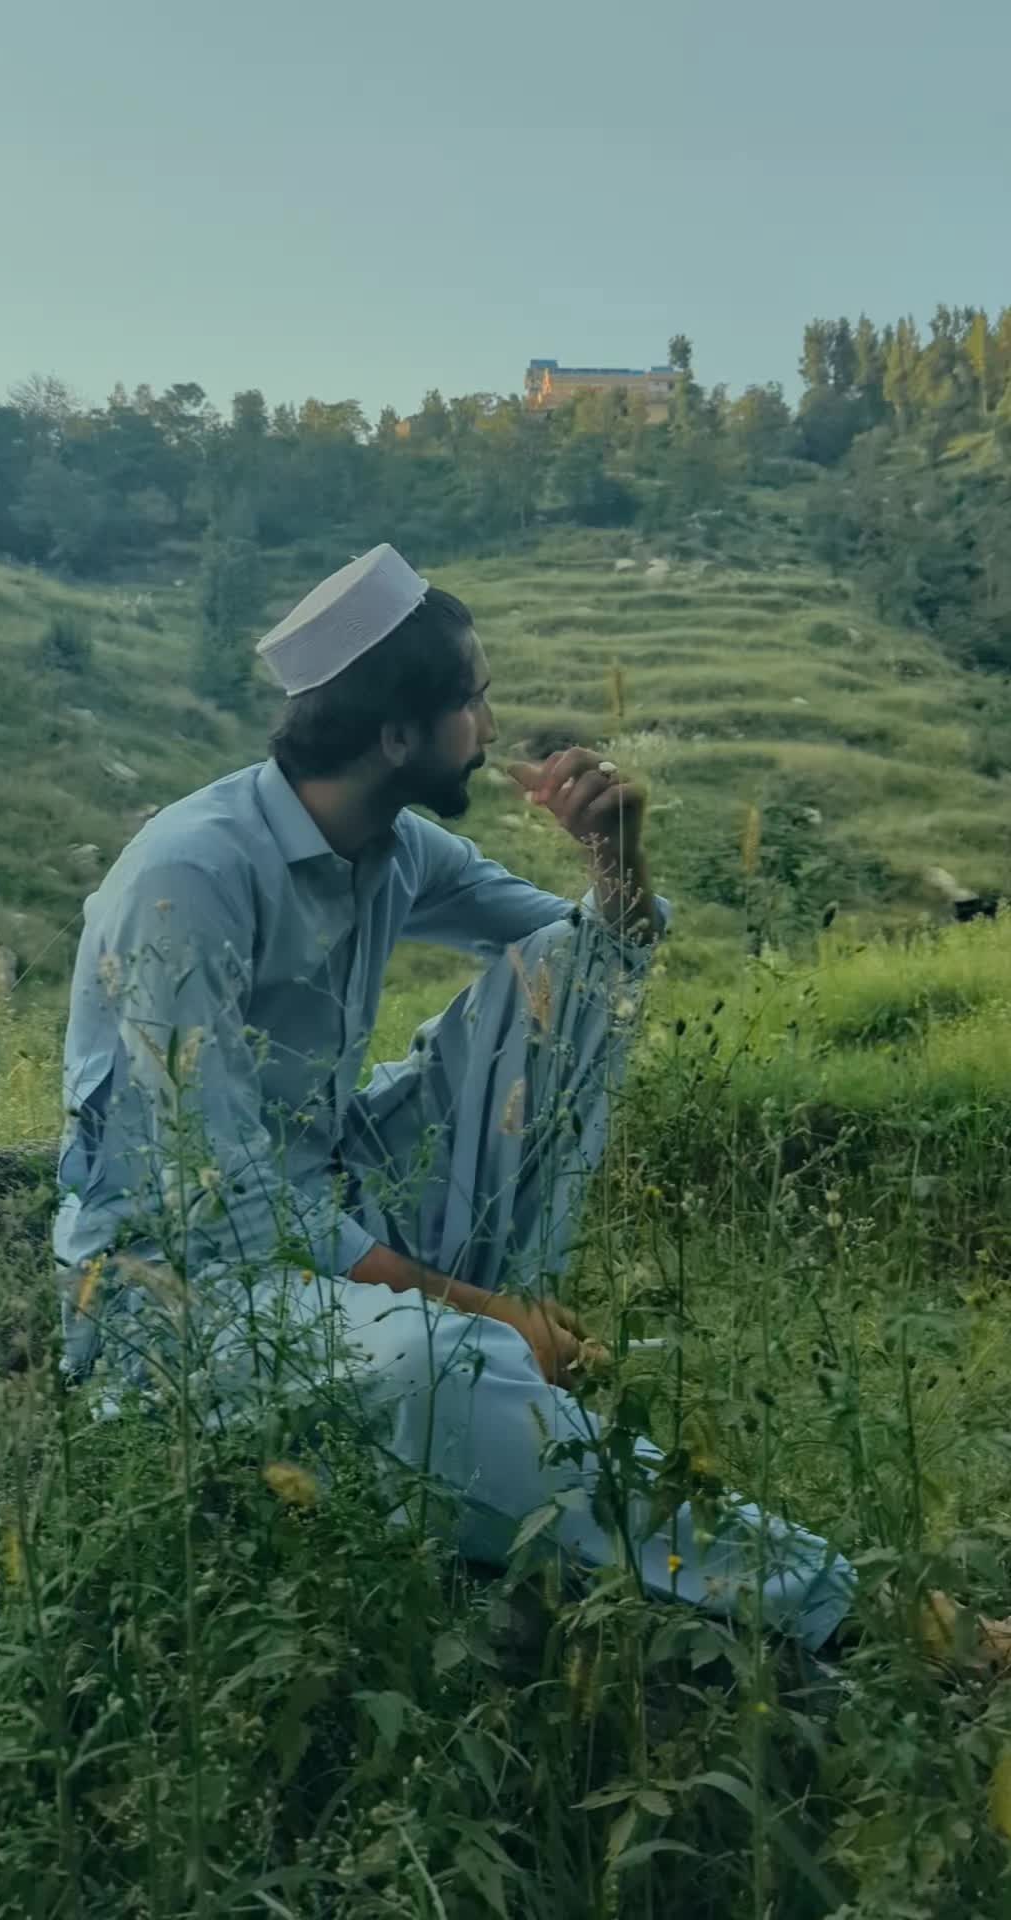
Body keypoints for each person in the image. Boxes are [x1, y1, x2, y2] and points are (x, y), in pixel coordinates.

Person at [55, 543, 856, 1652]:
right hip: (176, 1290)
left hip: (333, 1205)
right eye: (473, 701)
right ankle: (837, 1603)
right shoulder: (191, 875)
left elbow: (594, 956)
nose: (491, 725)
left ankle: (499, 1365)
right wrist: (479, 1311)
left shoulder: (394, 847)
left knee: (565, 978)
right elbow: (221, 1201)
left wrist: (617, 860)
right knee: (442, 1361)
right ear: (396, 735)